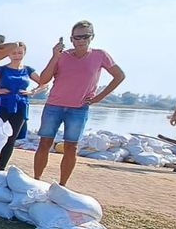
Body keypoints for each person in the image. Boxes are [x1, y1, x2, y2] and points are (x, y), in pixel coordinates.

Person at [32, 20, 125, 185]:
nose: (81, 41)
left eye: (85, 36)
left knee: (71, 147)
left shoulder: (100, 55)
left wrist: (99, 97)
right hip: (54, 105)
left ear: (92, 37)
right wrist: (55, 56)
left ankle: (62, 185)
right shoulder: (63, 56)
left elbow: (119, 75)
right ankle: (36, 180)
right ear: (71, 39)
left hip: (79, 108)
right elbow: (44, 79)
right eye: (77, 37)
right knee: (45, 142)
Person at [0, 43, 41, 170]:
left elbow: (43, 83)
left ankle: (0, 168)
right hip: (3, 105)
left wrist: (33, 92)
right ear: (8, 54)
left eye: (20, 53)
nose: (17, 56)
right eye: (13, 53)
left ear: (24, 53)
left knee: (11, 138)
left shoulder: (28, 70)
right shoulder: (1, 69)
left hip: (20, 105)